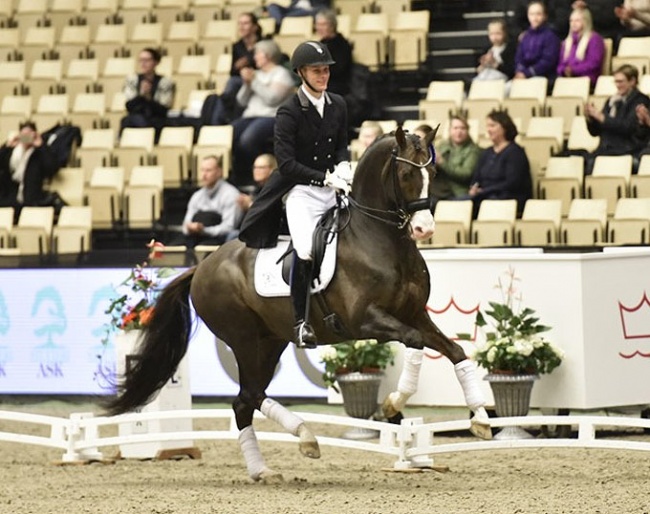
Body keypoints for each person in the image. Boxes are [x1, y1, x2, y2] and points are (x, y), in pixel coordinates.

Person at [238, 41, 350, 348]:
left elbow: (341, 143)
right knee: (304, 250)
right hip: (301, 192)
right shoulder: (288, 111)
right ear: (301, 72)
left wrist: (342, 166)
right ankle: (300, 322)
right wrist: (324, 177)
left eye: (326, 70)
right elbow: (286, 164)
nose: (323, 75)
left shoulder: (338, 103)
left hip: (334, 186)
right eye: (317, 70)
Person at [231, 39, 295, 187]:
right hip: (250, 116)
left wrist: (253, 82)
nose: (255, 58)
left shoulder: (281, 74)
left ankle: (252, 175)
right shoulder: (256, 74)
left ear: (268, 55)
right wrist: (247, 84)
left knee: (248, 139)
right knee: (228, 133)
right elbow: (241, 101)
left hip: (270, 116)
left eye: (257, 54)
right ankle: (236, 176)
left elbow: (272, 98)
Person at [584, 64, 650, 173]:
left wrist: (601, 117)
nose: (617, 85)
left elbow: (628, 128)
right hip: (605, 148)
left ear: (632, 81)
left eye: (621, 81)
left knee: (592, 162)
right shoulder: (611, 101)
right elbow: (596, 132)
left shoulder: (640, 100)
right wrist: (590, 119)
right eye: (616, 82)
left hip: (626, 149)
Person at [465, 110, 532, 217]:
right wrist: (474, 187)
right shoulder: (486, 153)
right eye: (487, 126)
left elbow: (512, 183)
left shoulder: (515, 152)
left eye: (492, 125)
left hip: (507, 197)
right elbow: (476, 177)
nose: (488, 130)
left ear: (504, 127)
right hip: (485, 196)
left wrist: (484, 190)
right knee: (455, 203)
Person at [172, 155, 243, 248]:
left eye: (208, 170)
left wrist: (204, 230)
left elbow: (229, 228)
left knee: (202, 251)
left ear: (219, 172)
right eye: (202, 170)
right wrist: (190, 228)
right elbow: (186, 224)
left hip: (219, 240)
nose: (204, 175)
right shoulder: (197, 196)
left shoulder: (231, 195)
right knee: (171, 250)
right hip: (194, 237)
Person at [0, 121, 59, 221]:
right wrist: (7, 146)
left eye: (29, 135)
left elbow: (51, 167)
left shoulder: (40, 153)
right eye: (23, 135)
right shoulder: (12, 152)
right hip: (11, 199)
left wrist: (40, 145)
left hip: (32, 199)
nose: (26, 138)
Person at [120, 47, 175, 142]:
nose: (143, 63)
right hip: (135, 119)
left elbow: (164, 109)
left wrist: (148, 98)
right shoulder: (132, 80)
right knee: (128, 120)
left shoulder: (165, 82)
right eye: (141, 60)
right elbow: (129, 106)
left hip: (157, 119)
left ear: (156, 62)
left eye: (147, 60)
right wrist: (141, 95)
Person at [434, 116, 482, 200]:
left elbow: (466, 174)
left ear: (468, 131)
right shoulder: (442, 146)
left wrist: (442, 162)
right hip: (438, 191)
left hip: (457, 193)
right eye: (455, 128)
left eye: (463, 128)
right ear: (450, 130)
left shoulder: (473, 150)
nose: (459, 132)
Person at [514, 1, 562, 83]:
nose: (535, 18)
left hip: (544, 77)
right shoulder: (525, 36)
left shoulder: (551, 36)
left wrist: (527, 73)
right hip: (524, 77)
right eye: (531, 14)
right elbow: (519, 58)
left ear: (545, 16)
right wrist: (520, 71)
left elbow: (548, 62)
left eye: (538, 14)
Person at [557, 8, 605, 88]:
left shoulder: (594, 39)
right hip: (568, 79)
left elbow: (593, 63)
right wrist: (563, 70)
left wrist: (573, 70)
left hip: (587, 79)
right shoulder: (567, 42)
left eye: (577, 20)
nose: (573, 23)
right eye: (571, 21)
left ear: (586, 21)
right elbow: (560, 64)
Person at [314, 8, 353, 96]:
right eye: (318, 25)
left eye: (323, 25)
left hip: (337, 86)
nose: (319, 28)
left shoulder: (342, 45)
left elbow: (338, 70)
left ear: (332, 26)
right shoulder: (321, 44)